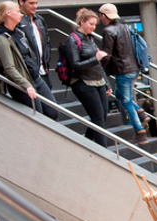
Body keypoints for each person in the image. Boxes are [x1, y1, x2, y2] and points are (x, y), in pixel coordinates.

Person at [98, 3, 148, 144]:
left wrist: (101, 70)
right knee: (120, 95)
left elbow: (107, 54)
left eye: (100, 16)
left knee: (126, 101)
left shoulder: (108, 30)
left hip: (123, 70)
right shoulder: (125, 27)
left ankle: (140, 131)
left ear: (104, 16)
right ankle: (141, 113)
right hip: (133, 68)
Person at [63, 8, 110, 147]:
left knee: (102, 116)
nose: (93, 27)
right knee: (98, 119)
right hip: (83, 82)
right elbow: (75, 65)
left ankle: (86, 142)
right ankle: (103, 152)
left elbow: (98, 64)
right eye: (91, 24)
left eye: (95, 24)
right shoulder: (72, 39)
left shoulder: (90, 38)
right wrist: (96, 58)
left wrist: (107, 83)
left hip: (98, 80)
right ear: (82, 22)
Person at [0, 1, 39, 112]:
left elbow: (30, 53)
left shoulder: (19, 33)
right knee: (38, 112)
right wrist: (26, 85)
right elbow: (9, 66)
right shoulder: (1, 37)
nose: (21, 15)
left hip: (34, 76)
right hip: (22, 80)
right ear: (8, 13)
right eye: (18, 12)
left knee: (52, 112)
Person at [17, 0, 56, 116]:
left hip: (43, 71)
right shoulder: (18, 21)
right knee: (38, 112)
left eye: (36, 3)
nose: (35, 6)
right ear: (21, 2)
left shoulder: (39, 19)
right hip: (29, 73)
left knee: (52, 111)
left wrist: (46, 61)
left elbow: (46, 42)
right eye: (31, 3)